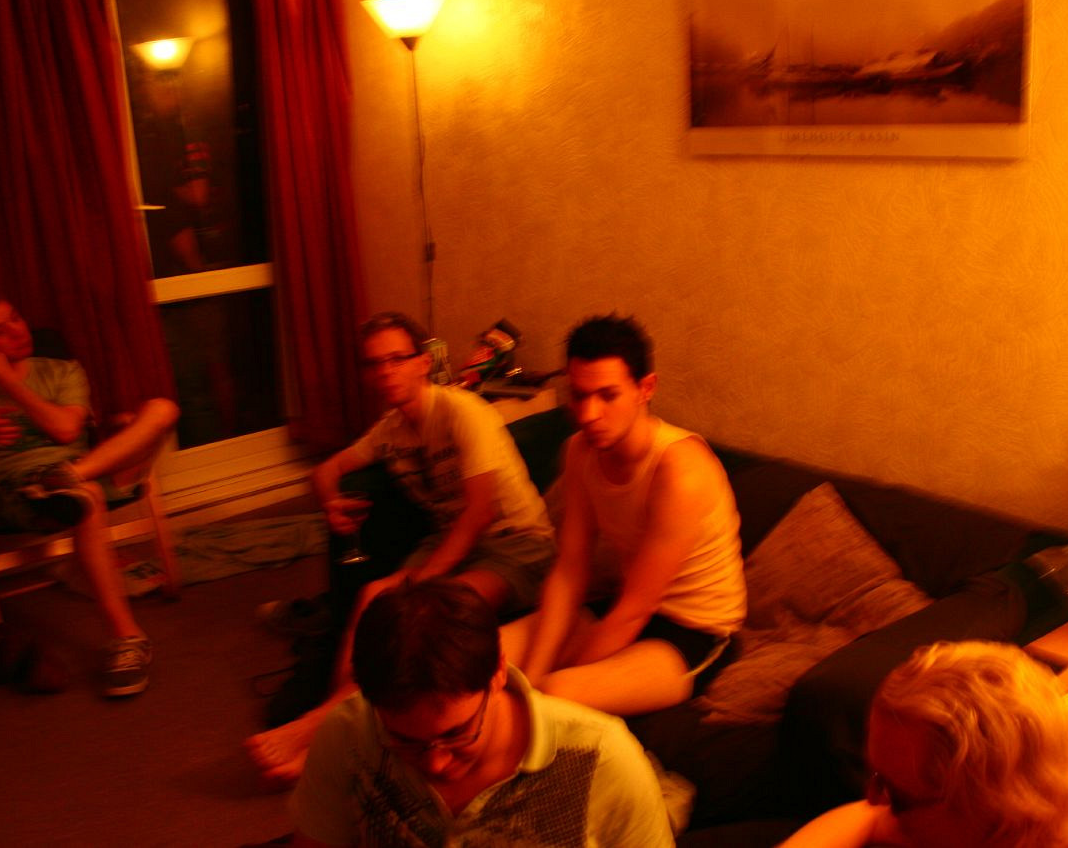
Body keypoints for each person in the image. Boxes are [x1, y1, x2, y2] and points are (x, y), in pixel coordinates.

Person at [248, 311, 555, 785]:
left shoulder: (462, 412)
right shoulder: (389, 432)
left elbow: (480, 513)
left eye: (397, 359)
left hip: (515, 543)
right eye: (375, 364)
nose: (386, 372)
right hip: (448, 540)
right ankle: (341, 727)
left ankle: (319, 726)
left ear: (423, 362)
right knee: (373, 596)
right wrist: (331, 504)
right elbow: (325, 471)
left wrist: (420, 580)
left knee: (434, 610)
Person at [289, 578, 675, 847]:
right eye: (405, 741)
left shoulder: (602, 758)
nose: (436, 763)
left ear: (497, 673)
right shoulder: (347, 733)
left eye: (456, 734)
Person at [502, 314, 747, 715]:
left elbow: (636, 609)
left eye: (607, 396)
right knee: (485, 658)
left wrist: (542, 687)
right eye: (579, 395)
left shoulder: (679, 470)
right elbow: (570, 570)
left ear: (645, 388)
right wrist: (530, 674)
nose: (588, 414)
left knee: (553, 698)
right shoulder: (579, 451)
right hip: (620, 607)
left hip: (693, 631)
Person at [0, 288, 179, 697]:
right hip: (10, 493)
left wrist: (7, 381)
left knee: (162, 410)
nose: (18, 331)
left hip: (76, 470)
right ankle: (127, 639)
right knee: (86, 497)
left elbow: (65, 429)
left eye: (16, 317)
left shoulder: (61, 371)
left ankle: (66, 477)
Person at [779, 640, 1068, 848]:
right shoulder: (1036, 806)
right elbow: (868, 817)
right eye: (877, 775)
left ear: (992, 810)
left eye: (895, 792)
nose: (873, 797)